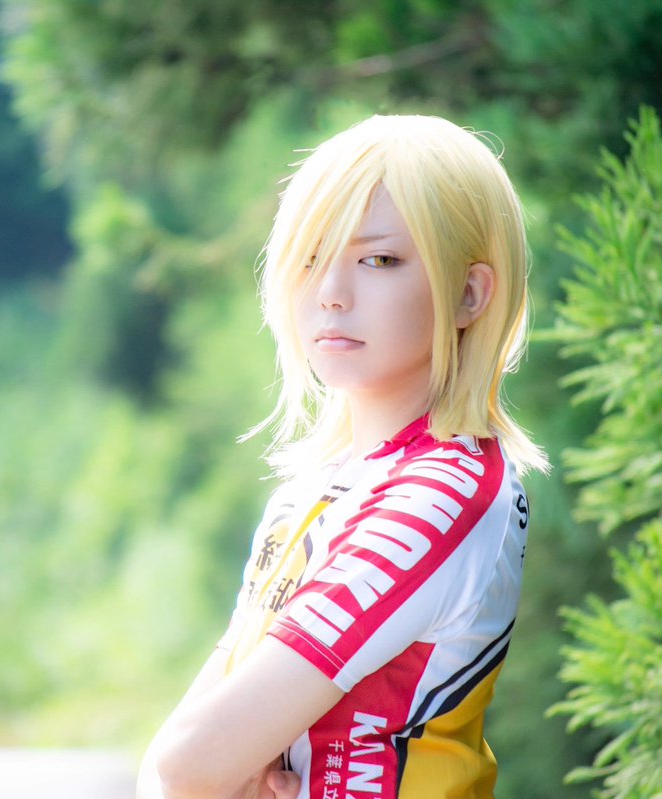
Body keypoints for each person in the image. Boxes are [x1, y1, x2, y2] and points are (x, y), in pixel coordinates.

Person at [136, 114, 547, 799]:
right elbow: (166, 772)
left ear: (470, 293)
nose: (329, 290)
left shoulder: (446, 490)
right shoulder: (308, 492)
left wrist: (220, 769)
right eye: (310, 257)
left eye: (378, 260)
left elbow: (189, 763)